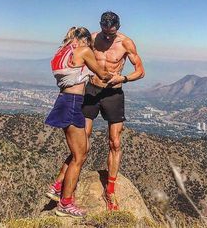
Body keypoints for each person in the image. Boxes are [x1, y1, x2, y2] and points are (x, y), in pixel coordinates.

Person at [47, 11, 145, 211]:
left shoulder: (126, 43)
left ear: (117, 28)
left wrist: (123, 78)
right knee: (82, 139)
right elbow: (76, 54)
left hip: (113, 93)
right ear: (101, 26)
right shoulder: (91, 38)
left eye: (112, 33)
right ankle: (60, 184)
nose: (108, 36)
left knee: (115, 142)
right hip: (91, 91)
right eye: (105, 32)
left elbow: (140, 71)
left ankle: (110, 191)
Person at [45, 26, 112, 218]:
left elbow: (74, 75)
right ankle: (65, 203)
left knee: (80, 151)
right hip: (73, 103)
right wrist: (119, 77)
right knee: (79, 156)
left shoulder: (62, 53)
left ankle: (58, 187)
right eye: (89, 43)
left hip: (64, 101)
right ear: (84, 41)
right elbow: (102, 73)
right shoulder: (83, 50)